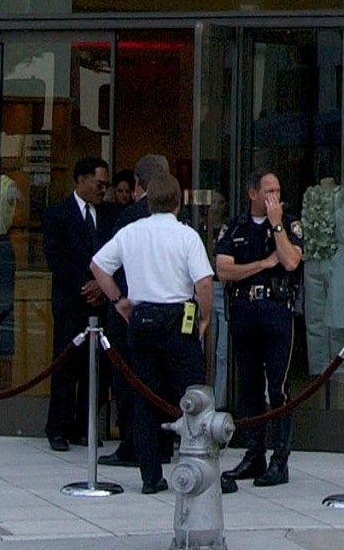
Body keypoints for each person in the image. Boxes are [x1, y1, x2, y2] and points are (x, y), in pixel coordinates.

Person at [90, 171, 215, 496]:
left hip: (142, 317)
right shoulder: (186, 236)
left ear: (145, 199)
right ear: (178, 201)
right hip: (178, 318)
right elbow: (203, 283)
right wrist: (203, 318)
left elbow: (98, 267)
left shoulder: (131, 232)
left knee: (145, 398)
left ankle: (150, 476)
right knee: (193, 397)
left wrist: (119, 300)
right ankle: (199, 469)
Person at [214, 167, 303, 488]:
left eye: (277, 191)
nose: (274, 197)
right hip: (244, 311)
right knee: (249, 386)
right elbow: (223, 270)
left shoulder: (289, 224)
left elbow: (291, 261)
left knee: (277, 388)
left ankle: (280, 459)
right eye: (268, 191)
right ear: (252, 194)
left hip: (277, 311)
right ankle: (254, 453)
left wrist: (276, 222)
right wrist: (262, 265)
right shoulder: (234, 227)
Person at [97, 152, 172, 470]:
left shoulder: (130, 218)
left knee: (129, 383)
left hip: (131, 310)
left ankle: (132, 444)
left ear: (138, 183)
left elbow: (104, 265)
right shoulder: (177, 218)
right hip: (168, 310)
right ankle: (164, 443)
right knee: (163, 381)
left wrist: (117, 299)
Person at [43, 156, 112, 453]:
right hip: (72, 302)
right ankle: (57, 427)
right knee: (66, 367)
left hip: (101, 302)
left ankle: (85, 427)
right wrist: (85, 285)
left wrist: (101, 285)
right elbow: (55, 258)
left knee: (95, 370)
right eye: (99, 184)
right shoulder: (58, 214)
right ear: (82, 180)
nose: (104, 190)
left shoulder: (109, 215)